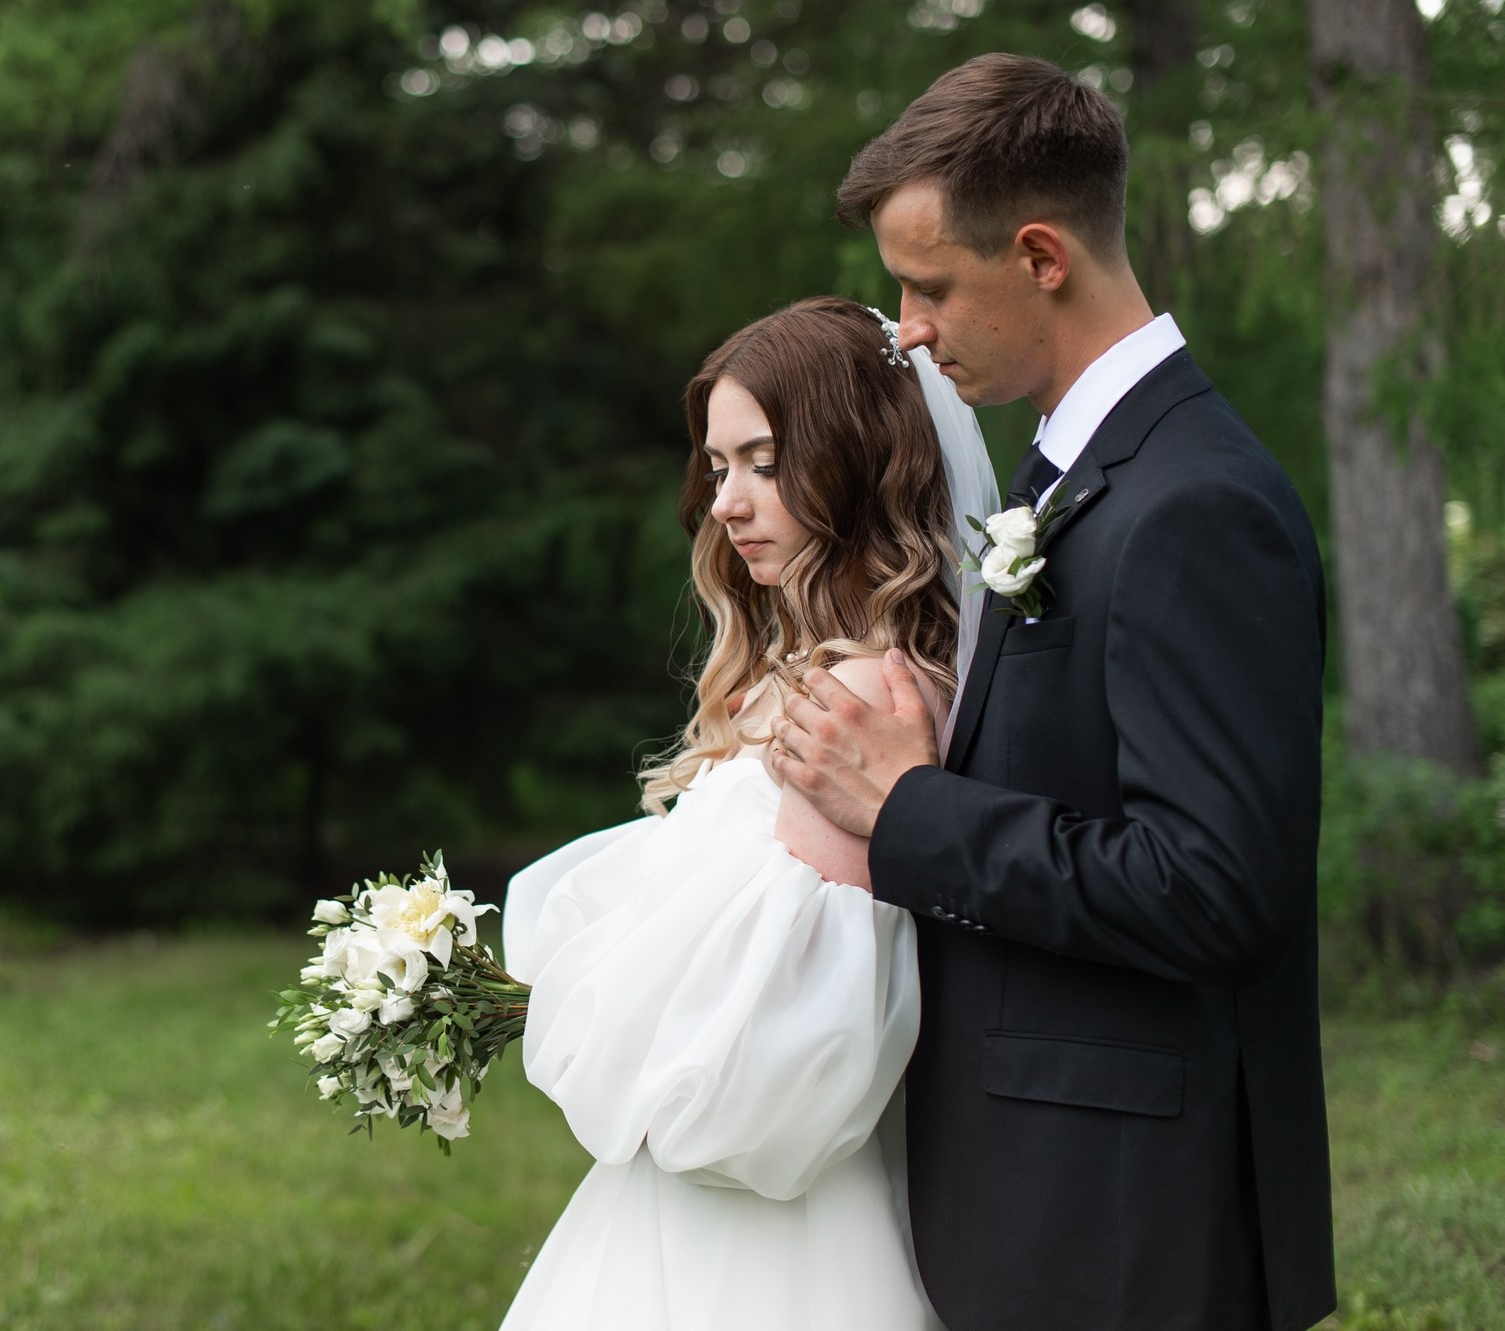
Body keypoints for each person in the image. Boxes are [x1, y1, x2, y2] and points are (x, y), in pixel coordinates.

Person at [767, 54, 1336, 1331]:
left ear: (1038, 255)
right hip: (1048, 1188)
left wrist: (906, 807)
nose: (905, 328)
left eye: (926, 287)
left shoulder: (1194, 503)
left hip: (1127, 1221)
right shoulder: (1072, 476)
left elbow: (1213, 889)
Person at [498, 295, 996, 1330]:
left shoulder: (860, 702)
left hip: (771, 1238)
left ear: (857, 459)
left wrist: (599, 1002)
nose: (725, 502)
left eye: (763, 461)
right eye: (717, 465)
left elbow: (786, 1052)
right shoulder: (793, 676)